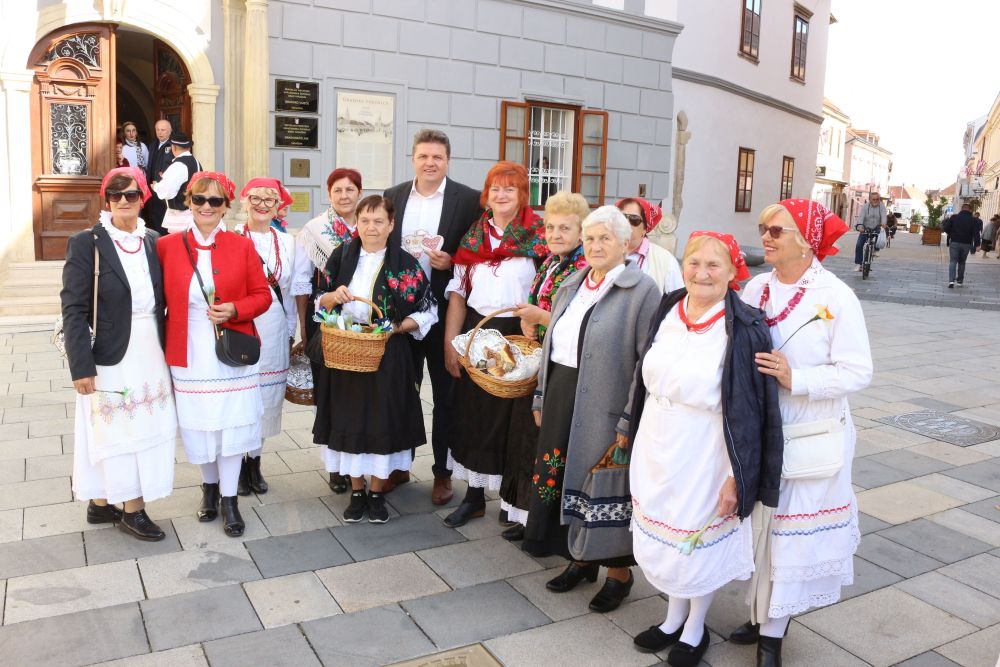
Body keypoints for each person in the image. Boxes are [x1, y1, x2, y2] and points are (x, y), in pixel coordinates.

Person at [626, 232, 782, 665]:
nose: (702, 273)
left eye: (714, 265)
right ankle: (672, 618)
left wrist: (737, 474)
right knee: (668, 533)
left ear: (733, 271)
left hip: (706, 446)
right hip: (657, 439)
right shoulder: (668, 308)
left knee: (696, 535)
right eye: (694, 262)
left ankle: (695, 627)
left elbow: (754, 409)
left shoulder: (746, 326)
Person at [729, 199, 872, 667]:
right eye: (763, 228)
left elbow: (858, 371)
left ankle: (772, 637)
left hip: (808, 431)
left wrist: (798, 378)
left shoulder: (835, 297)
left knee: (789, 535)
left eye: (777, 230)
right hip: (760, 427)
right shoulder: (756, 288)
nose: (765, 237)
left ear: (807, 241)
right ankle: (760, 612)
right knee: (760, 529)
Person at [522, 205, 660, 614]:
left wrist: (629, 417)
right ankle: (579, 559)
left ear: (625, 243)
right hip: (562, 392)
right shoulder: (574, 282)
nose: (596, 246)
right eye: (590, 239)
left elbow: (646, 361)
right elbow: (552, 343)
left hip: (606, 402)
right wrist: (541, 395)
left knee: (603, 484)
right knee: (564, 476)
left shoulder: (641, 290)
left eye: (605, 238)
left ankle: (618, 574)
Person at [61, 166, 176, 542]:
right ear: (106, 200)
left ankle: (100, 502)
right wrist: (81, 366)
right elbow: (73, 309)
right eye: (116, 194)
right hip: (109, 354)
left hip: (151, 349)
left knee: (145, 423)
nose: (123, 200)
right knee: (117, 428)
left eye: (131, 194)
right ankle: (132, 509)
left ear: (143, 198)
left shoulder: (154, 240)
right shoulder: (87, 242)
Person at [157, 171, 273, 537]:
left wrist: (236, 309)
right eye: (199, 199)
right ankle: (208, 488)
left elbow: (263, 296)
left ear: (225, 207)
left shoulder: (242, 246)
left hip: (231, 348)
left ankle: (229, 499)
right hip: (189, 348)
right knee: (200, 424)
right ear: (188, 202)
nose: (206, 206)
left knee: (230, 425)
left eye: (215, 200)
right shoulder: (166, 246)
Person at [312, 195, 437, 524]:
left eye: (379, 221)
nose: (371, 227)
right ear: (357, 223)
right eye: (365, 220)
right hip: (346, 350)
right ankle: (357, 491)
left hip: (387, 353)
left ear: (391, 224)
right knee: (350, 420)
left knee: (383, 420)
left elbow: (428, 309)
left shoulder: (405, 263)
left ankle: (378, 492)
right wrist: (332, 296)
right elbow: (318, 299)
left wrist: (396, 327)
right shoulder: (342, 256)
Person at [442, 161, 545, 528]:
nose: (502, 195)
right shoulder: (473, 237)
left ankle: (510, 501)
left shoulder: (539, 237)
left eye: (510, 189)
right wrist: (451, 343)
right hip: (479, 331)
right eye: (495, 189)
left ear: (522, 195)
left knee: (515, 421)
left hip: (521, 336)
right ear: (486, 195)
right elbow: (458, 294)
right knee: (475, 416)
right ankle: (473, 498)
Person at [386, 129, 482, 505]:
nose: (430, 163)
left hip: (445, 312)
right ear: (413, 159)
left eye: (437, 157)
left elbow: (477, 255)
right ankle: (399, 465)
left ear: (447, 161)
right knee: (400, 391)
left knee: (447, 396)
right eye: (424, 156)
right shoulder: (394, 196)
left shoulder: (469, 200)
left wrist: (453, 260)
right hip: (402, 313)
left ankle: (443, 472)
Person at [496, 191, 589, 543]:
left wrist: (539, 317)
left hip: (564, 367)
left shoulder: (582, 269)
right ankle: (525, 515)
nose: (555, 234)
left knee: (547, 441)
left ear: (581, 232)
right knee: (527, 437)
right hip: (540, 360)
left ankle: (544, 524)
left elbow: (581, 324)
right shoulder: (551, 261)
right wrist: (529, 318)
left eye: (565, 228)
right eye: (550, 227)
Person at [292, 167, 363, 495]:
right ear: (329, 193)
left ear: (360, 193)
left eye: (350, 190)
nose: (344, 196)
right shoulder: (315, 230)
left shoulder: (369, 225)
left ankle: (359, 461)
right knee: (328, 393)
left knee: (358, 393)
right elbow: (302, 282)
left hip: (363, 320)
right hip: (324, 317)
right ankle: (335, 465)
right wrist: (304, 328)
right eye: (338, 190)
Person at [234, 178, 298, 496]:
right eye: (255, 198)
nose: (261, 204)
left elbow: (291, 290)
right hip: (240, 325)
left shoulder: (287, 243)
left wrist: (291, 330)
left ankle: (254, 463)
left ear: (278, 207)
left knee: (264, 400)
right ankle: (235, 464)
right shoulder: (231, 238)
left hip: (273, 327)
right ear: (244, 202)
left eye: (269, 200)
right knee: (239, 399)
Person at [616, 197, 683, 293]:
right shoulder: (603, 251)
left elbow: (677, 297)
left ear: (645, 229)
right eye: (621, 218)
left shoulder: (665, 260)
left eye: (634, 219)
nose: (626, 223)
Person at [153, 132, 202, 234]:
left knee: (179, 242)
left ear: (174, 147)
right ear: (188, 147)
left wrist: (156, 186)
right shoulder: (196, 162)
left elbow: (168, 191)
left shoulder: (178, 165)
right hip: (194, 212)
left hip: (181, 217)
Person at [144, 119, 174, 234]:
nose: (160, 132)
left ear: (170, 131)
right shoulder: (153, 145)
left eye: (163, 130)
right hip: (151, 188)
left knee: (163, 219)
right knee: (152, 217)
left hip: (164, 189)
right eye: (158, 130)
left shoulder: (173, 146)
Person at [942, 203, 982, 288]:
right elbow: (976, 233)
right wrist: (978, 245)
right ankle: (960, 281)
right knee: (962, 262)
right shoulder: (973, 220)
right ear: (970, 210)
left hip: (954, 242)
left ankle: (951, 281)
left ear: (961, 209)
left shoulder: (954, 217)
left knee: (953, 261)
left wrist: (952, 235)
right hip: (966, 244)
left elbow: (945, 228)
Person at [852, 191, 885, 271]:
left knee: (879, 238)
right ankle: (858, 264)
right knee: (859, 245)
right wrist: (860, 226)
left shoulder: (882, 206)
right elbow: (861, 217)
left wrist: (884, 223)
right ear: (870, 199)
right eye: (873, 199)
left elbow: (884, 216)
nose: (875, 201)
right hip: (865, 227)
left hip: (876, 226)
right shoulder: (865, 206)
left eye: (877, 199)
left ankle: (876, 250)